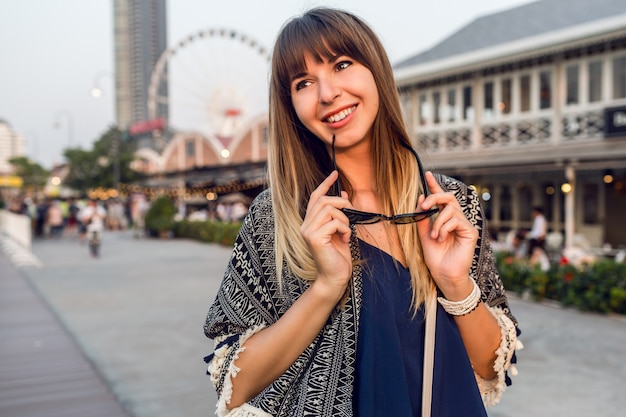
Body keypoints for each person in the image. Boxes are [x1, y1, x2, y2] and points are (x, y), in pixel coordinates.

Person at [204, 8, 520, 417]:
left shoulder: (448, 203)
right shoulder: (279, 217)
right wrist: (325, 287)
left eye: (342, 64)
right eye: (303, 83)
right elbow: (233, 384)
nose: (328, 93)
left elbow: (492, 366)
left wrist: (455, 282)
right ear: (291, 107)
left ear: (376, 71)